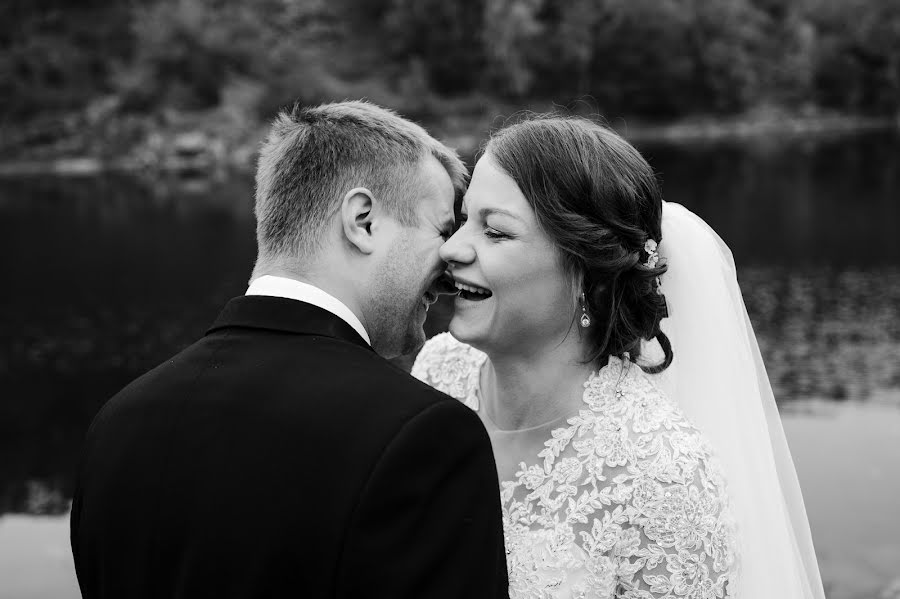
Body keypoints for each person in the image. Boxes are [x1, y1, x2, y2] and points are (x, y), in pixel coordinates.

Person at [70, 100, 508, 599]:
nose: (452, 268)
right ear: (362, 221)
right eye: (442, 230)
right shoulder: (422, 434)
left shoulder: (116, 422)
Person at [413, 115, 826, 598]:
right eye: (464, 221)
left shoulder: (663, 478)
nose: (453, 249)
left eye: (496, 233)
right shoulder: (438, 370)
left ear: (590, 271)